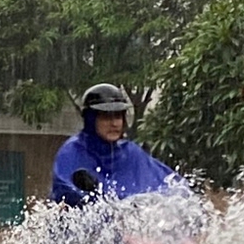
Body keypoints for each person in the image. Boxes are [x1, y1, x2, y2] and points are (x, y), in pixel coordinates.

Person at [49, 83, 181, 206]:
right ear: (90, 118)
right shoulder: (72, 152)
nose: (114, 123)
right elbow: (68, 191)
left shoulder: (132, 153)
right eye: (106, 117)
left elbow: (175, 186)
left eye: (118, 116)